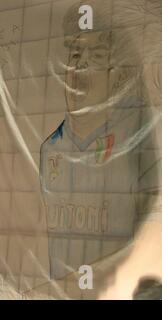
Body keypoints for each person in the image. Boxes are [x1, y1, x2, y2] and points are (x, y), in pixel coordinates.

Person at [39, 0, 162, 298]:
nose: (79, 64)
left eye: (96, 55)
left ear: (116, 77)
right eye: (76, 53)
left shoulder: (135, 146)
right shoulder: (50, 150)